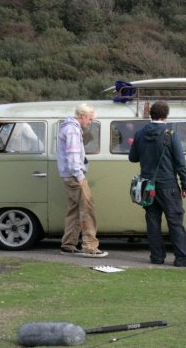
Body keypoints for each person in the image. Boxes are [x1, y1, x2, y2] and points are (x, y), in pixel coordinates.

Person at [129, 101, 186, 267]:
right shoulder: (170, 134)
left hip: (147, 186)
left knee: (152, 222)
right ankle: (182, 258)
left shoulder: (139, 134)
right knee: (175, 222)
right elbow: (180, 163)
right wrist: (185, 185)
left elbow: (132, 158)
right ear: (166, 116)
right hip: (168, 186)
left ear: (151, 114)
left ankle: (157, 257)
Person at [57, 104, 108, 258]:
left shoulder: (67, 127)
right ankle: (90, 246)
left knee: (74, 209)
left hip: (68, 175)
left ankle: (68, 244)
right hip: (75, 176)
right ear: (82, 116)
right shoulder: (73, 130)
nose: (90, 122)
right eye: (90, 119)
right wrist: (80, 176)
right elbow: (73, 155)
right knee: (87, 209)